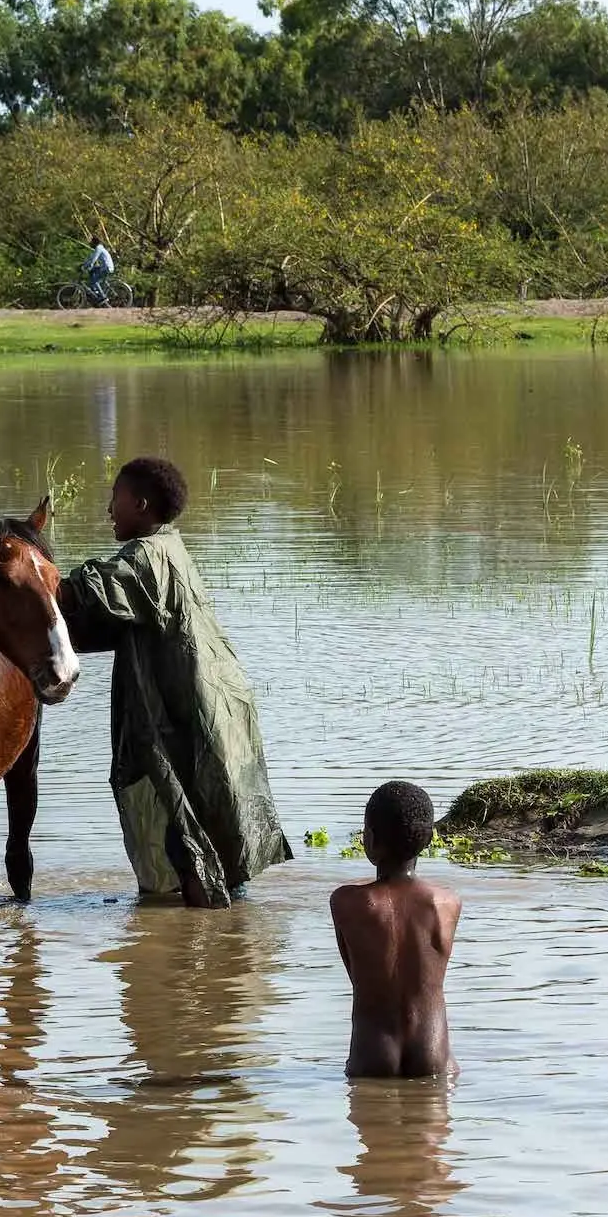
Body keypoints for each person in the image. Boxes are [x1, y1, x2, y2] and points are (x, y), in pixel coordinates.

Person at [58, 456, 292, 907]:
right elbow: (109, 620)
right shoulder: (170, 546)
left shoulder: (146, 556)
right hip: (215, 698)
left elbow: (88, 593)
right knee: (207, 815)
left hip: (194, 705)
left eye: (115, 500)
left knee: (187, 815)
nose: (109, 510)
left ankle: (209, 926)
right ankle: (224, 917)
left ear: (141, 505)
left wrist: (35, 574)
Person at [331, 781, 462, 1079]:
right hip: (434, 1059)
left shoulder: (345, 902)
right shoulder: (448, 902)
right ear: (427, 840)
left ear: (371, 838)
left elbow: (358, 977)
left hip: (372, 1057)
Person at [83, 239, 117, 305]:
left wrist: (89, 265)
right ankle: (95, 290)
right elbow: (91, 257)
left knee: (94, 280)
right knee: (92, 271)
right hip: (105, 267)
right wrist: (84, 264)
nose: (90, 244)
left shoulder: (99, 248)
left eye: (91, 243)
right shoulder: (98, 248)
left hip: (107, 268)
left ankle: (103, 296)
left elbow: (94, 259)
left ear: (94, 243)